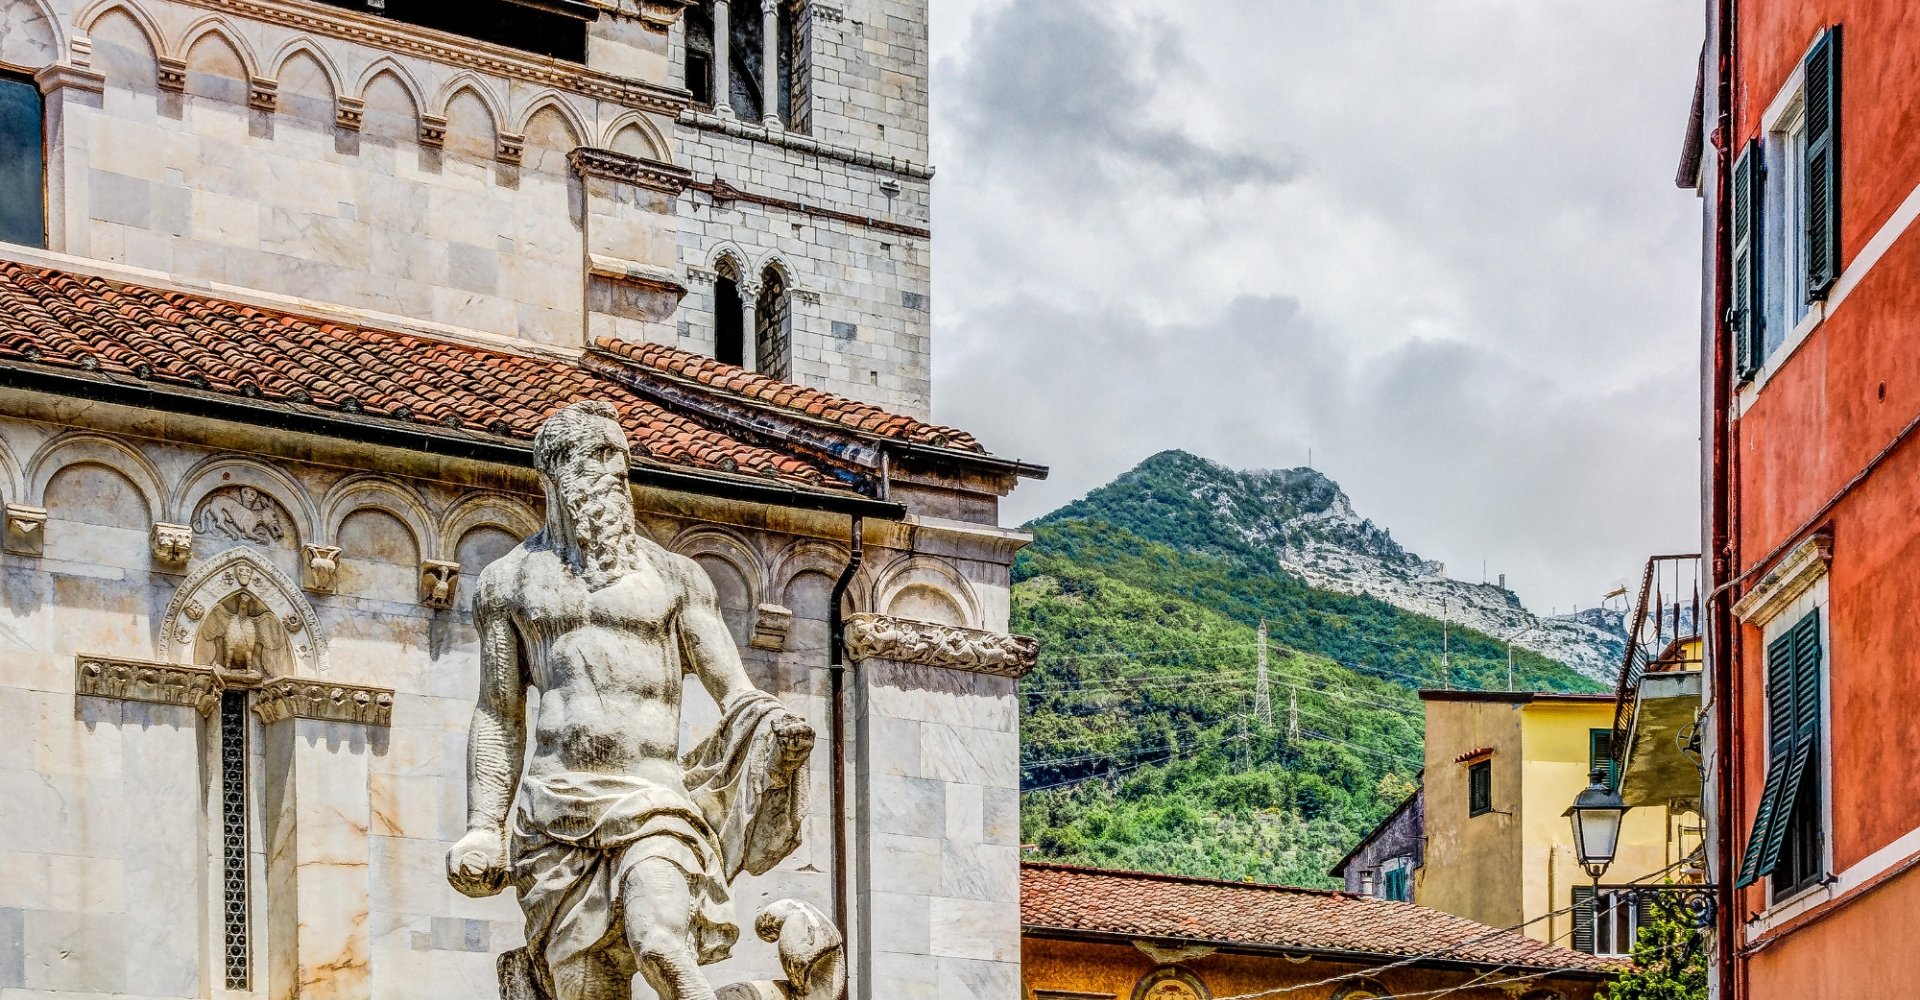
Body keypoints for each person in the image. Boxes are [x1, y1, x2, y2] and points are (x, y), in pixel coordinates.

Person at [446, 401, 814, 1000]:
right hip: (553, 817)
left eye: (622, 456)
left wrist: (774, 726)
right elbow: (498, 711)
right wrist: (483, 827)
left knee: (661, 941)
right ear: (556, 473)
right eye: (600, 455)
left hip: (653, 803)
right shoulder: (508, 582)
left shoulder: (677, 578)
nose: (619, 470)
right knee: (587, 990)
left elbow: (736, 691)